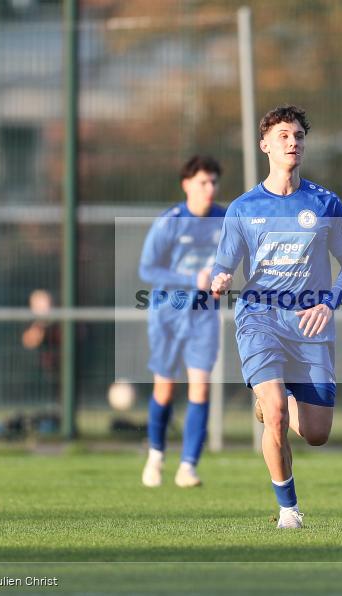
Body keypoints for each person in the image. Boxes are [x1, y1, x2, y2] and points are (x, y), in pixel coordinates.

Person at [210, 105, 342, 528]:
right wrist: (220, 278)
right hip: (260, 318)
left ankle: (273, 402)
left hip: (311, 323)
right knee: (276, 412)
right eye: (283, 136)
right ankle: (288, 510)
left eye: (297, 136)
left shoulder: (325, 202)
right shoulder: (243, 208)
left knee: (316, 434)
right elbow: (225, 262)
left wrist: (329, 302)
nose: (292, 142)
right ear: (265, 145)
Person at [139, 155, 225, 488]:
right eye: (203, 181)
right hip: (167, 315)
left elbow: (237, 258)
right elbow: (148, 269)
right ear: (186, 184)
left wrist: (221, 279)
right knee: (165, 389)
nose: (210, 188)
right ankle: (156, 456)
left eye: (214, 182)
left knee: (200, 389)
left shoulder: (225, 218)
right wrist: (192, 278)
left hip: (204, 316)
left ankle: (188, 466)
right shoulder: (170, 221)